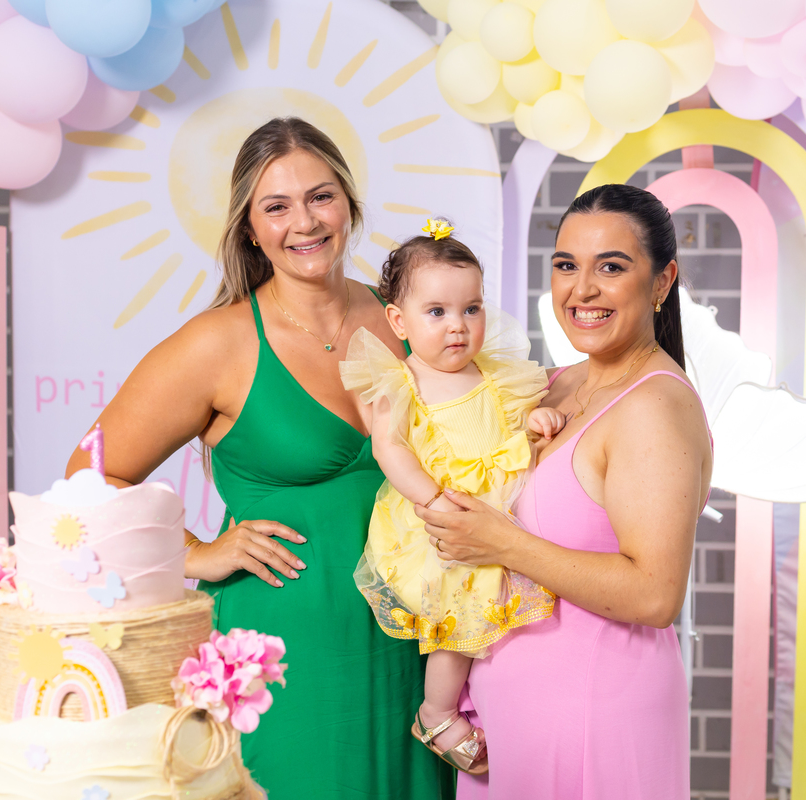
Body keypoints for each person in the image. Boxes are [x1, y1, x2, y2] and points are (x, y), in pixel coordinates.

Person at [64, 117, 451, 799]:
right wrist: (194, 553)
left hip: (412, 650)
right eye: (277, 206)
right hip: (279, 660)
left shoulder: (405, 318)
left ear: (349, 204)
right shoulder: (217, 344)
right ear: (249, 227)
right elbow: (88, 479)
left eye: (321, 197)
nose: (304, 222)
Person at [416, 184, 713, 799]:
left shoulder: (655, 406)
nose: (582, 290)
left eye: (612, 267)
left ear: (662, 282)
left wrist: (502, 543)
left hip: (593, 712)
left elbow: (655, 594)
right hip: (510, 718)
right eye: (566, 266)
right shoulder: (552, 384)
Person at [339, 221, 564, 776]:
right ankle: (436, 712)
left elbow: (514, 424)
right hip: (441, 520)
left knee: (510, 619)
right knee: (458, 620)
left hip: (500, 513)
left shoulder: (495, 373)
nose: (457, 326)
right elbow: (390, 450)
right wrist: (433, 500)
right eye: (436, 312)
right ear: (400, 321)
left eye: (471, 309)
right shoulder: (402, 381)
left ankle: (504, 702)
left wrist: (537, 419)